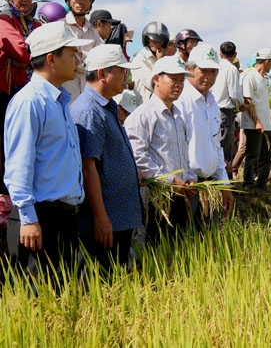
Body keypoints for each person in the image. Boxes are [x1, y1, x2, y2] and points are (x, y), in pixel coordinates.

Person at [5, 21, 91, 284]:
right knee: (40, 304)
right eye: (71, 52)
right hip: (39, 220)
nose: (78, 58)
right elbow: (19, 164)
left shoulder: (60, 100)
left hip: (63, 218)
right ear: (52, 59)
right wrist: (29, 219)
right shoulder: (30, 101)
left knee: (65, 300)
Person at [69, 44, 143, 271]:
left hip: (118, 218)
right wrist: (101, 218)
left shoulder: (107, 106)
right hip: (105, 222)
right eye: (122, 71)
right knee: (100, 285)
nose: (126, 77)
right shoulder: (88, 111)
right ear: (103, 74)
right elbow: (87, 168)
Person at [124, 56, 198, 243]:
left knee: (177, 252)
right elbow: (138, 157)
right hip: (155, 200)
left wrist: (189, 178)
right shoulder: (143, 115)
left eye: (182, 80)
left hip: (177, 196)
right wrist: (170, 180)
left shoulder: (178, 117)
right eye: (173, 78)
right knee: (154, 252)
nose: (178, 85)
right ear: (156, 78)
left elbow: (184, 155)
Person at [175, 44, 234, 223]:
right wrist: (181, 185)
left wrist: (224, 184)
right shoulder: (180, 100)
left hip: (209, 185)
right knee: (184, 243)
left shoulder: (212, 102)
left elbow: (216, 146)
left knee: (209, 241)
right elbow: (176, 147)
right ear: (189, 69)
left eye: (213, 72)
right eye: (203, 70)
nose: (208, 77)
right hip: (187, 186)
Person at [0, 0, 43, 212]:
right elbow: (22, 50)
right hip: (6, 93)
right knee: (7, 146)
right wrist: (28, 57)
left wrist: (26, 58)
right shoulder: (4, 19)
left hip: (29, 92)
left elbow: (42, 48)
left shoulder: (34, 24)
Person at [240, 48, 271, 190]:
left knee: (266, 156)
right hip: (254, 124)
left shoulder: (263, 79)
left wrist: (268, 122)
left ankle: (262, 183)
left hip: (266, 124)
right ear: (267, 62)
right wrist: (257, 122)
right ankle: (248, 183)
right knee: (252, 155)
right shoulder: (250, 77)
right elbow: (248, 101)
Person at [62, 0, 102, 102]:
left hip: (88, 87)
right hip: (65, 84)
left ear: (91, 3)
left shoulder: (92, 31)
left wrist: (81, 55)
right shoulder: (61, 26)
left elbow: (100, 58)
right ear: (69, 0)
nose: (81, 1)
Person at [212, 41, 244, 164]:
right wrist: (240, 105)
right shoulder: (232, 69)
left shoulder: (216, 67)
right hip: (224, 111)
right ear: (235, 54)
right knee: (225, 145)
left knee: (215, 142)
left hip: (213, 108)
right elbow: (234, 94)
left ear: (220, 54)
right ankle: (225, 176)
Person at [131, 21, 170, 106]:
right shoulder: (141, 59)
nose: (157, 44)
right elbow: (154, 84)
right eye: (153, 40)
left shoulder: (162, 57)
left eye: (160, 41)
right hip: (145, 107)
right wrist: (160, 62)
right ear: (147, 39)